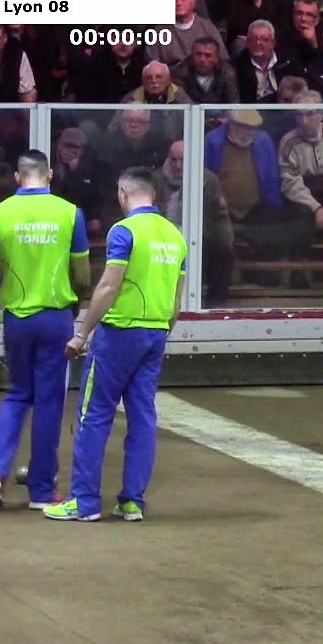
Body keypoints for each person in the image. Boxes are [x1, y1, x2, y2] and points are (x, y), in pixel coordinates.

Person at [43, 167, 187, 522]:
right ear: (153, 194)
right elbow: (176, 299)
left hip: (120, 333)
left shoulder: (124, 231)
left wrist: (81, 333)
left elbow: (108, 287)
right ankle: (132, 501)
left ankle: (85, 501)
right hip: (155, 333)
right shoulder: (175, 235)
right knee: (142, 418)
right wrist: (161, 331)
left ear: (124, 192)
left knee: (94, 415)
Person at [0, 150, 92, 510]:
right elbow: (82, 274)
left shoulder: (0, 213)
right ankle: (40, 490)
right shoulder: (70, 214)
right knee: (49, 401)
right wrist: (78, 305)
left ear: (19, 178)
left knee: (18, 394)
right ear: (50, 175)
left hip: (17, 319)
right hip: (56, 316)